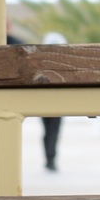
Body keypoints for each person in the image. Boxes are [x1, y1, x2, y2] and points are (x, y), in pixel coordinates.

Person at [40, 32, 67, 171]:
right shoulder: (65, 61)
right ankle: (50, 159)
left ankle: (50, 159)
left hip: (49, 102)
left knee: (50, 132)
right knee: (52, 132)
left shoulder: (40, 61)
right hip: (50, 102)